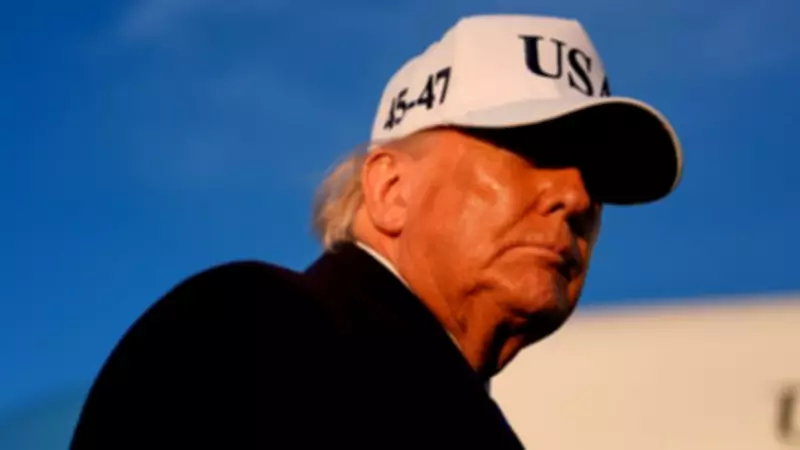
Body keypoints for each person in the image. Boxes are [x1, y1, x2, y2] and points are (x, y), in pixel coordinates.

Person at [69, 14, 682, 449]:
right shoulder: (249, 328)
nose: (577, 197)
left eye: (595, 178)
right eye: (533, 150)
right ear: (391, 189)